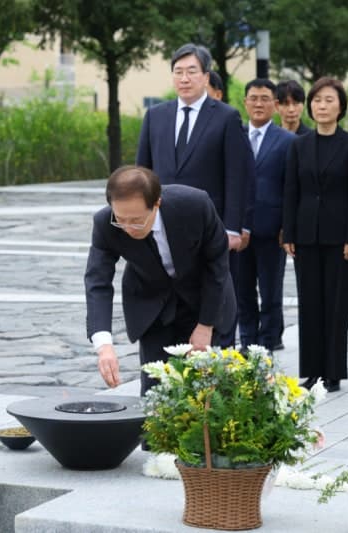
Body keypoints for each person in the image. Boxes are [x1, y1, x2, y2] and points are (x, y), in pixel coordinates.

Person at [137, 43, 255, 347]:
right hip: (163, 228)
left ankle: (219, 363)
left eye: (191, 71)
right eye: (178, 72)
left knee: (216, 302)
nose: (184, 78)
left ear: (205, 76)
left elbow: (237, 176)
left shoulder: (226, 117)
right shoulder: (156, 116)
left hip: (211, 229)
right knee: (171, 304)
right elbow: (143, 173)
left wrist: (233, 228)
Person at [85, 166, 236, 395]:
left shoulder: (194, 205)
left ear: (157, 203)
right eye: (121, 220)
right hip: (153, 306)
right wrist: (104, 345)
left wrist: (206, 325)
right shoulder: (105, 223)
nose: (128, 228)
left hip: (205, 300)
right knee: (155, 394)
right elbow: (98, 282)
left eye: (136, 221)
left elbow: (217, 266)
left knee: (210, 393)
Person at [282, 77, 348, 393]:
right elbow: (291, 190)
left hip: (340, 237)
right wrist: (289, 232)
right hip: (306, 235)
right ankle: (312, 371)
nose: (322, 106)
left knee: (337, 305)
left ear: (340, 106)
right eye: (317, 100)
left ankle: (333, 371)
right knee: (310, 304)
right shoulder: (298, 145)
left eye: (329, 100)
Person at [238, 78, 295, 352]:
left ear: (275, 104)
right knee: (242, 289)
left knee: (271, 290)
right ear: (245, 102)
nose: (258, 104)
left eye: (264, 99)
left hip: (273, 229)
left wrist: (288, 226)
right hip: (238, 228)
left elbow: (292, 187)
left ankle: (270, 340)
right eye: (253, 98)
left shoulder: (288, 141)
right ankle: (247, 340)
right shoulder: (234, 136)